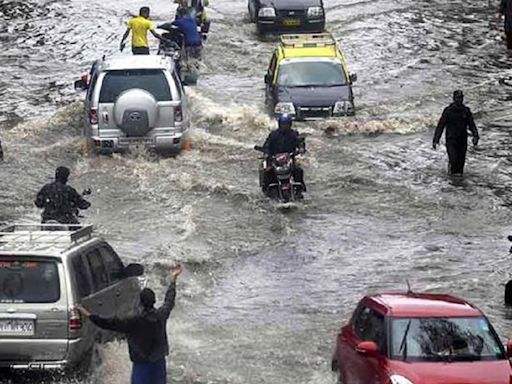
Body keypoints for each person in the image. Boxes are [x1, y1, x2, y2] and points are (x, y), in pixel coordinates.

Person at [77, 265, 183, 384]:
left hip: (141, 366)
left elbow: (108, 323)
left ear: (141, 303)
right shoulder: (161, 316)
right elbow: (169, 301)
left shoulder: (133, 322)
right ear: (154, 301)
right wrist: (173, 279)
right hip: (159, 362)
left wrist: (87, 313)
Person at [433, 90, 479, 177]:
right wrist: (436, 140)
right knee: (453, 160)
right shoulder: (448, 111)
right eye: (458, 98)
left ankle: (458, 184)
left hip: (462, 140)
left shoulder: (466, 111)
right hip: (451, 140)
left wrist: (475, 136)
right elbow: (441, 125)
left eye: (461, 98)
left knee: (460, 164)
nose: (460, 100)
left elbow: (472, 124)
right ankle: (450, 177)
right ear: (454, 98)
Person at [261, 114, 306, 194]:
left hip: (289, 159)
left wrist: (301, 148)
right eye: (283, 124)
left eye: (286, 124)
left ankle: (300, 189)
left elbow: (299, 142)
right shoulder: (274, 135)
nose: (284, 126)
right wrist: (266, 153)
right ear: (279, 124)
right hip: (275, 159)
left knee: (298, 170)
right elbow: (267, 144)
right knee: (267, 172)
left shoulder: (294, 134)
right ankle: (266, 189)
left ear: (290, 124)